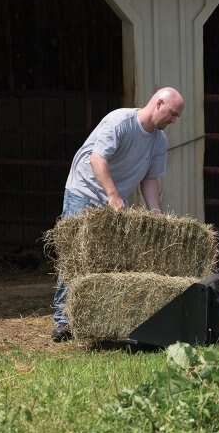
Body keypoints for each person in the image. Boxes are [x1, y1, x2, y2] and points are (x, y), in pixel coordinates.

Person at [51, 87, 185, 342]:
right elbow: (97, 159)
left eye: (177, 116)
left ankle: (95, 320)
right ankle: (63, 320)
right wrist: (113, 195)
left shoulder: (159, 141)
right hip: (85, 191)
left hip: (113, 200)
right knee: (76, 255)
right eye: (172, 113)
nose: (174, 120)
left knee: (105, 260)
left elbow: (150, 178)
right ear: (158, 103)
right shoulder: (120, 122)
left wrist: (155, 213)